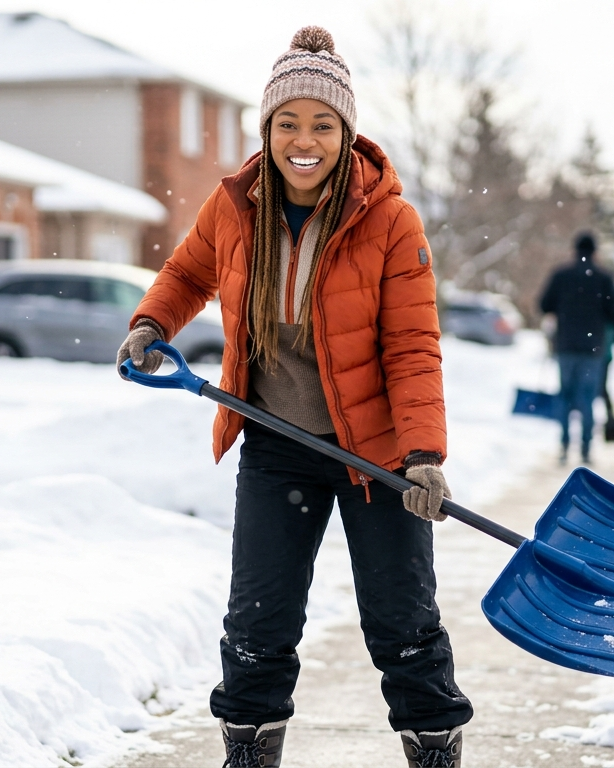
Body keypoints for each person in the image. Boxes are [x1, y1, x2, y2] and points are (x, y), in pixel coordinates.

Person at [116, 27, 471, 768]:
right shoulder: (235, 206)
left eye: (321, 124)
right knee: (258, 620)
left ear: (346, 134)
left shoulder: (390, 221)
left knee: (402, 622)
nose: (302, 139)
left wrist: (423, 455)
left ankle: (434, 751)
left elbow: (413, 348)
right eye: (287, 122)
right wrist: (152, 322)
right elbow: (186, 274)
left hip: (376, 455)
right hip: (276, 443)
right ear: (267, 130)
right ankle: (248, 755)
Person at [537, 232, 614, 465]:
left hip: (565, 345)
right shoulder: (604, 277)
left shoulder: (561, 275)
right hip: (592, 347)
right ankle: (585, 448)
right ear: (595, 252)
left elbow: (544, 304)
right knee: (587, 398)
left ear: (574, 250)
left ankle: (564, 446)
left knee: (565, 395)